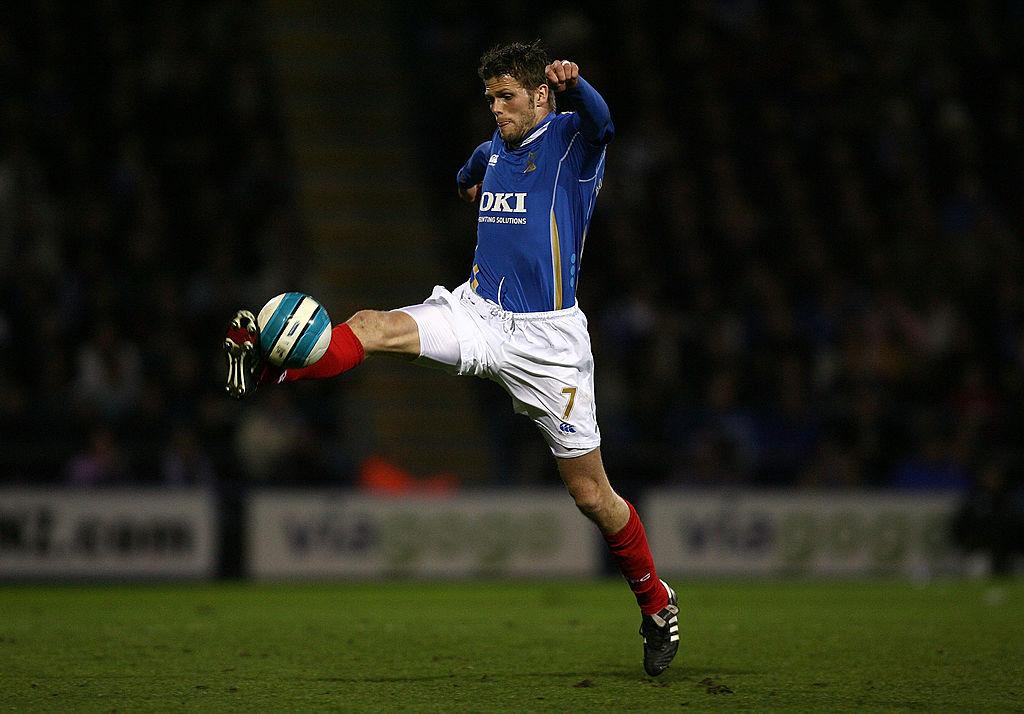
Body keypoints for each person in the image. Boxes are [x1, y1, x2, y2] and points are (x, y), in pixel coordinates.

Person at [224, 40, 680, 676]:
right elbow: (469, 172)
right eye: (490, 98)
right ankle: (282, 367)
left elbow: (605, 122)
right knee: (370, 326)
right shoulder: (493, 150)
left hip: (548, 343)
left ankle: (656, 603)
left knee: (591, 495)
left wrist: (576, 85)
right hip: (476, 313)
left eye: (507, 96)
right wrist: (468, 182)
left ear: (541, 96)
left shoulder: (571, 141)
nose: (496, 108)